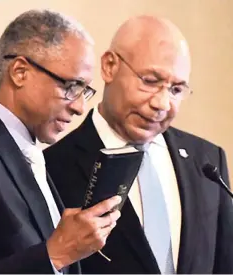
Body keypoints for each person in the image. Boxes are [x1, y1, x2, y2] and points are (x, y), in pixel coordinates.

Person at [44, 15, 233, 274]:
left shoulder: (208, 161)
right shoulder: (52, 167)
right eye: (150, 81)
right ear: (109, 66)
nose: (162, 104)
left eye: (176, 90)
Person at [0, 10, 122, 274]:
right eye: (71, 86)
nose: (79, 107)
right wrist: (55, 255)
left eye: (85, 90)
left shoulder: (25, 149)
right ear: (20, 72)